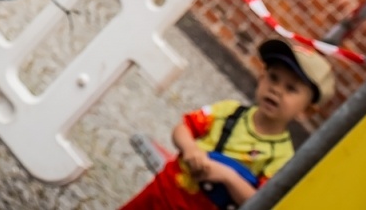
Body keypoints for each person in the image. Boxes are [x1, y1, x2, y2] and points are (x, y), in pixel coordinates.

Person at [121, 38, 334, 209]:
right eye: (273, 78)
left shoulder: (281, 156)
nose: (276, 89)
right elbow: (183, 128)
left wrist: (227, 176)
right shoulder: (230, 111)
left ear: (306, 109)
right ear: (261, 78)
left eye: (291, 89)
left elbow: (261, 201)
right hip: (163, 191)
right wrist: (190, 148)